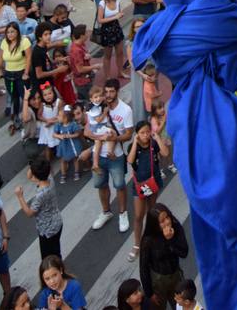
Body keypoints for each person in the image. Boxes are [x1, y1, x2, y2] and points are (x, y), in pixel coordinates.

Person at [87, 79, 134, 234]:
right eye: (105, 91)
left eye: (111, 91)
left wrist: (114, 139)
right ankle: (106, 212)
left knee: (120, 185)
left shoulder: (125, 110)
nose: (107, 95)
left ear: (117, 91)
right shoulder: (96, 107)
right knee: (101, 185)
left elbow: (128, 134)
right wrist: (101, 139)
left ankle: (122, 213)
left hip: (117, 155)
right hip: (99, 154)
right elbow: (87, 131)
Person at [125, 120, 169, 262]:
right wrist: (135, 143)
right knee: (138, 215)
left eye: (147, 132)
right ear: (137, 134)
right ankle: (137, 244)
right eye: (142, 133)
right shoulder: (134, 146)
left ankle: (152, 238)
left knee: (152, 212)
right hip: (139, 185)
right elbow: (130, 160)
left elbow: (165, 153)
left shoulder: (153, 143)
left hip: (153, 181)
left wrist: (157, 138)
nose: (145, 135)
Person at [11, 157, 61, 262]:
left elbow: (29, 213)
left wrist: (20, 196)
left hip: (47, 230)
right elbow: (30, 176)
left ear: (36, 177)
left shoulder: (40, 195)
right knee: (56, 251)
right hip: (57, 222)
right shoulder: (50, 179)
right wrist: (34, 166)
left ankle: (56, 271)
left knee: (48, 258)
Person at [137, 204, 188, 308]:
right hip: (158, 281)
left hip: (175, 276)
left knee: (180, 306)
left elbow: (184, 253)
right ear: (155, 224)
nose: (167, 222)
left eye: (167, 217)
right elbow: (144, 268)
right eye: (162, 221)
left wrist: (170, 241)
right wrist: (149, 293)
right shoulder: (148, 240)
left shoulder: (176, 227)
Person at [0, 20, 31, 127]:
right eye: (8, 32)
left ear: (17, 32)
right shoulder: (4, 42)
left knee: (24, 95)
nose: (10, 34)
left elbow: (28, 57)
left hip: (21, 74)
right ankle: (16, 116)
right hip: (9, 75)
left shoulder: (24, 41)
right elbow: (0, 57)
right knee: (14, 95)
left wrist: (26, 73)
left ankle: (30, 115)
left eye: (12, 32)